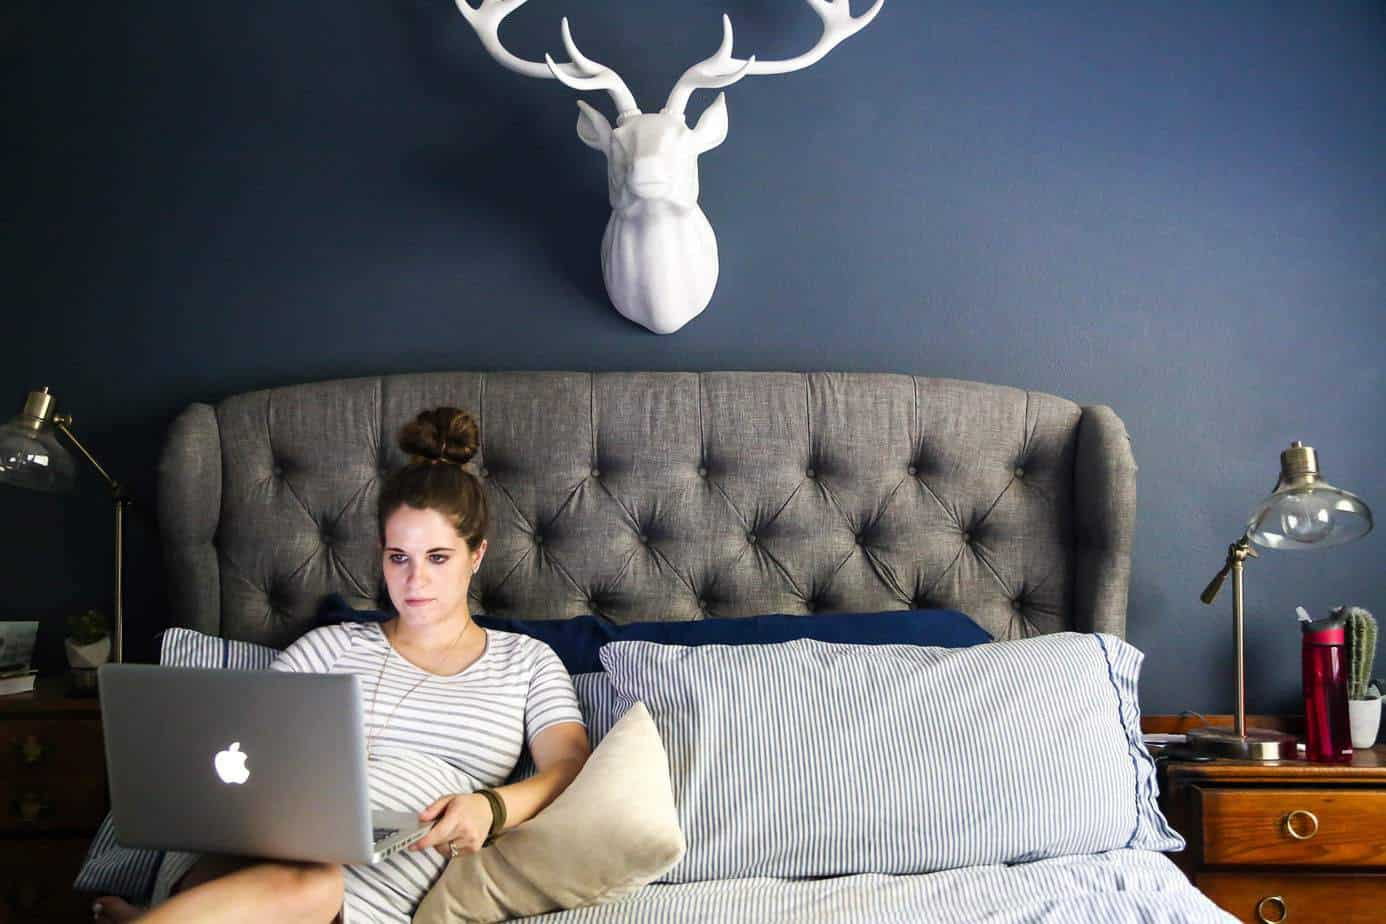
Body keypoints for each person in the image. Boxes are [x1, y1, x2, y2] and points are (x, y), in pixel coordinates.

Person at [93, 407, 591, 923]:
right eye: (399, 557)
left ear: (477, 554)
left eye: (438, 557)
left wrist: (492, 807)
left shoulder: (526, 662)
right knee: (305, 871)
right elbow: (241, 750)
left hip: (378, 873)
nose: (415, 580)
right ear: (381, 554)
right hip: (255, 849)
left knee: (318, 880)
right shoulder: (328, 648)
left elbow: (570, 767)